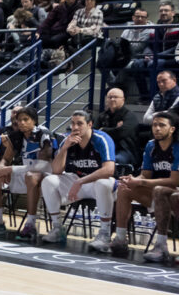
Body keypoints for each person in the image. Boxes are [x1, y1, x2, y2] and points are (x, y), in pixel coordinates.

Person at [0, 107, 56, 235]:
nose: (21, 123)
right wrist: (1, 169)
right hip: (26, 172)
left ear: (34, 121)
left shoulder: (43, 133)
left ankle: (31, 225)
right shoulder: (16, 136)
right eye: (19, 120)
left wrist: (9, 169)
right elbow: (6, 159)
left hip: (46, 175)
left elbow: (42, 165)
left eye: (25, 120)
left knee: (31, 176)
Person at [104, 112, 179, 254]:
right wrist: (133, 180)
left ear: (172, 129)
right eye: (154, 125)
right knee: (124, 188)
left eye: (162, 125)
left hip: (174, 194)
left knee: (160, 189)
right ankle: (120, 239)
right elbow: (146, 174)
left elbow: (175, 180)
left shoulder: (177, 147)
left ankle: (161, 245)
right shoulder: (151, 146)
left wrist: (142, 182)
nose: (157, 128)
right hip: (156, 192)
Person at [40, 111, 115, 245]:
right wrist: (64, 148)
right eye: (73, 123)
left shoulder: (101, 139)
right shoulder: (68, 140)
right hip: (78, 182)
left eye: (79, 124)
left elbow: (109, 170)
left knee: (102, 183)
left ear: (90, 124)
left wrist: (80, 181)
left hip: (99, 184)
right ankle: (57, 228)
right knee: (48, 181)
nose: (75, 128)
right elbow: (56, 170)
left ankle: (105, 234)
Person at [95, 88, 140, 167]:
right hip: (104, 148)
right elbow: (94, 132)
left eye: (115, 97)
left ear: (123, 99)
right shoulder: (102, 116)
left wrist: (102, 129)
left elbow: (122, 133)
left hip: (124, 150)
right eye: (110, 97)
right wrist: (115, 129)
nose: (112, 99)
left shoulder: (130, 116)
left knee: (116, 160)